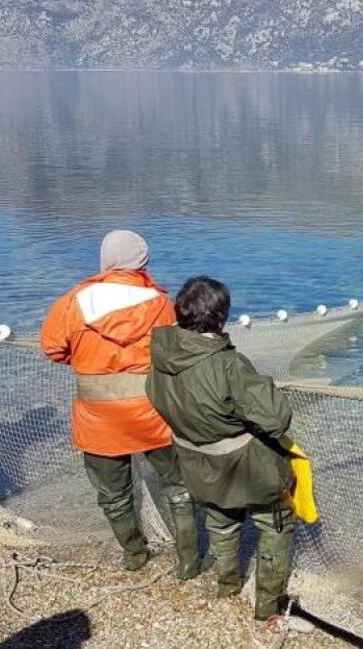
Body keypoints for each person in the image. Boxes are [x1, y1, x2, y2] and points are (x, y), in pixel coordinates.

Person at [40, 230, 199, 579]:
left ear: (106, 259)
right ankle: (188, 560)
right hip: (154, 413)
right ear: (141, 262)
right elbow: (177, 354)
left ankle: (134, 553)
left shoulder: (73, 302)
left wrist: (86, 358)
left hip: (99, 417)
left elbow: (53, 348)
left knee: (113, 493)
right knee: (178, 486)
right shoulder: (160, 304)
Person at [146, 276, 299, 620]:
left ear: (181, 313)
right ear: (221, 317)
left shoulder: (160, 355)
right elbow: (277, 418)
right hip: (249, 469)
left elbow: (158, 400)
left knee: (220, 521)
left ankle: (226, 586)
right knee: (276, 523)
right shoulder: (228, 364)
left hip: (196, 464)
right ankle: (267, 606)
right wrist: (266, 386)